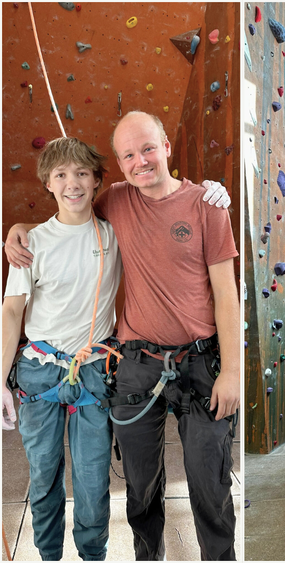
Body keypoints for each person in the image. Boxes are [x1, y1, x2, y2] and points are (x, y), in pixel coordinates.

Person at [5, 111, 239, 560]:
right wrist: (16, 231)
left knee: (211, 483)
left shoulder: (208, 206)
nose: (141, 161)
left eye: (148, 148)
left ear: (167, 146)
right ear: (118, 162)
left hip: (200, 362)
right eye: (129, 154)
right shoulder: (115, 200)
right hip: (135, 367)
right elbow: (65, 214)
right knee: (140, 486)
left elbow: (227, 294)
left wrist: (231, 371)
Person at [1, 137, 121, 561]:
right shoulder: (31, 243)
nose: (72, 183)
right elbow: (11, 312)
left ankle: (93, 553)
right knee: (44, 473)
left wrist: (210, 194)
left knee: (92, 478)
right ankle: (48, 554)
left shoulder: (114, 235)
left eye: (82, 173)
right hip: (41, 370)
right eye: (61, 175)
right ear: (48, 184)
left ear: (97, 181)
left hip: (92, 369)